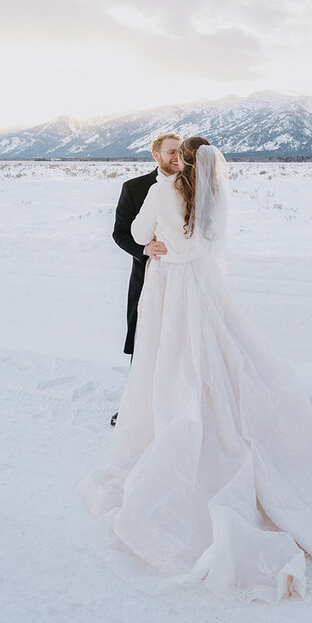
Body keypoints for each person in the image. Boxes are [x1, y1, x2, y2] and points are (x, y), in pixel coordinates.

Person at [82, 137, 312, 604]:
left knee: (171, 354)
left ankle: (177, 414)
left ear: (181, 159)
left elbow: (137, 232)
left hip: (170, 284)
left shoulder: (160, 191)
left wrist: (155, 244)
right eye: (165, 151)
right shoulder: (205, 193)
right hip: (197, 284)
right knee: (205, 353)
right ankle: (202, 404)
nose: (171, 157)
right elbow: (188, 240)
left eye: (177, 152)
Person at [109, 132, 181, 426]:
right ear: (156, 155)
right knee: (145, 338)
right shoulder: (135, 188)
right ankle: (136, 407)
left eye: (180, 151)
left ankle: (178, 405)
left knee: (181, 339)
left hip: (184, 279)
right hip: (147, 277)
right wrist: (144, 250)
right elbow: (120, 233)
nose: (177, 156)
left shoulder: (192, 185)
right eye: (171, 151)